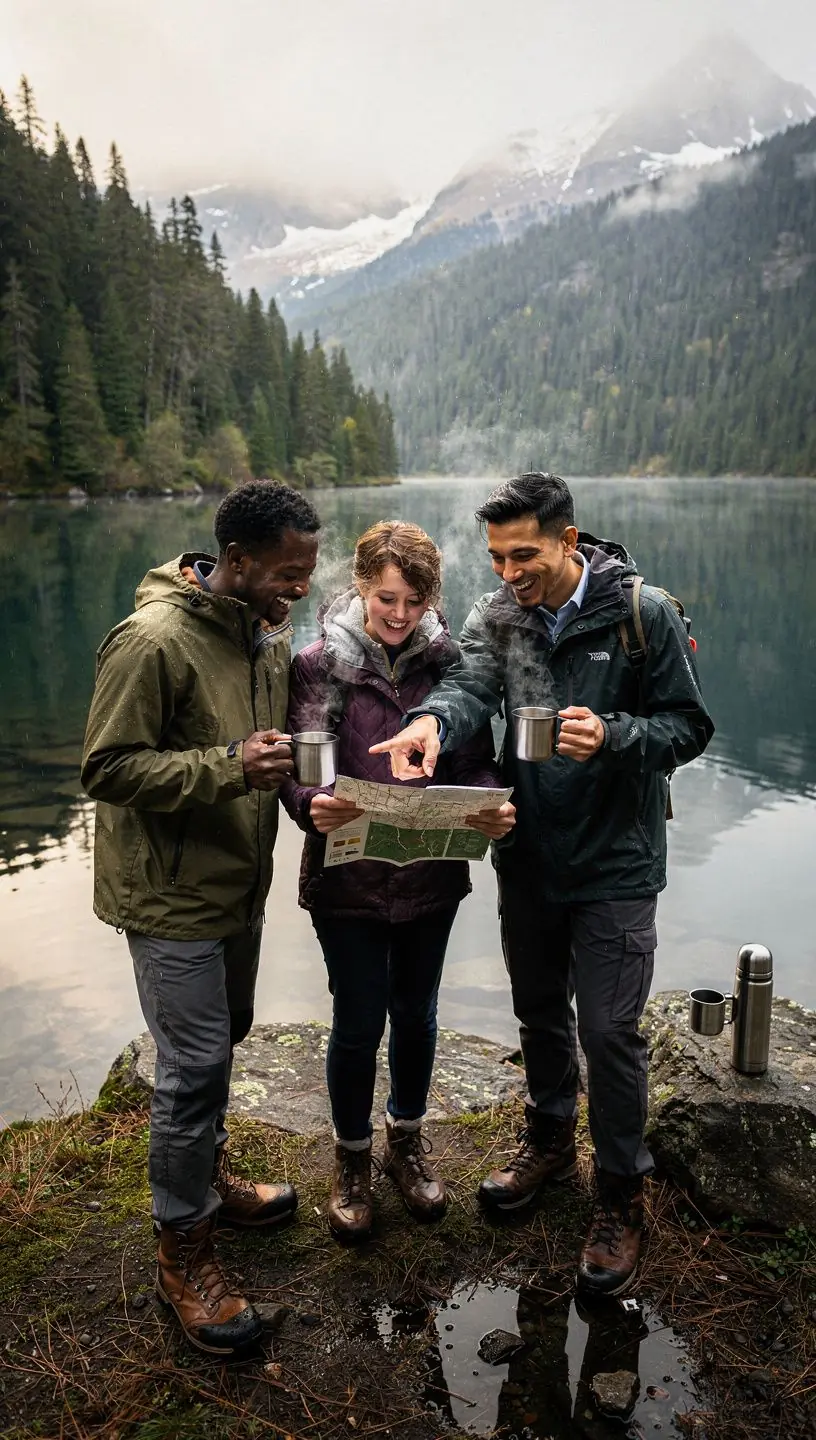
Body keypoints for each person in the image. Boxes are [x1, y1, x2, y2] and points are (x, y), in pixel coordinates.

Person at [370, 473, 713, 1296]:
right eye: (495, 557)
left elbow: (690, 727)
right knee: (537, 1013)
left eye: (523, 554)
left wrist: (620, 734)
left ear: (568, 539)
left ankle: (620, 1197)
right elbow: (468, 687)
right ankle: (551, 1140)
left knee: (609, 1031)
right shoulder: (500, 616)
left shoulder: (641, 614)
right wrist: (429, 723)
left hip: (617, 862)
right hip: (529, 856)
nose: (508, 572)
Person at [81, 481, 321, 1358]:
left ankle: (208, 1176)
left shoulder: (258, 637)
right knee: (189, 1069)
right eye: (289, 574)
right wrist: (227, 765)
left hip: (235, 886)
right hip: (170, 895)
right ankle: (183, 1251)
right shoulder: (150, 641)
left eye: (307, 574)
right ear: (242, 560)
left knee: (229, 1038)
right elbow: (106, 768)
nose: (298, 589)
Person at [280, 521, 515, 1241]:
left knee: (416, 1013)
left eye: (415, 600)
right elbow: (299, 769)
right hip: (346, 880)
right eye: (387, 598)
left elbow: (474, 759)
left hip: (431, 879)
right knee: (358, 1022)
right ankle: (352, 1159)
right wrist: (311, 805)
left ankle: (405, 1143)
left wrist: (491, 802)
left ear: (430, 598)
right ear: (360, 587)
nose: (400, 614)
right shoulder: (318, 666)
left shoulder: (452, 667)